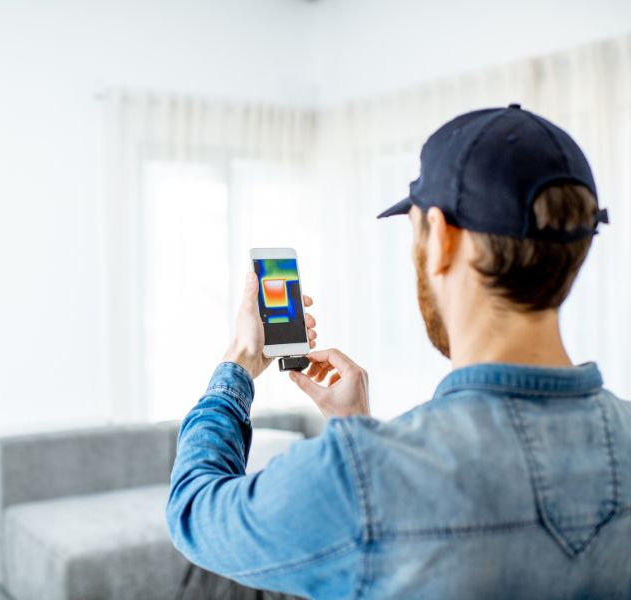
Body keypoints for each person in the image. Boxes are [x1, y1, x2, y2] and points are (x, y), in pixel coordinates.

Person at [166, 104, 630, 599]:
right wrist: (357, 427)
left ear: (443, 239)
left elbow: (195, 511)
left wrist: (238, 361)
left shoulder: (364, 474)